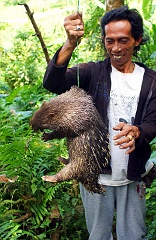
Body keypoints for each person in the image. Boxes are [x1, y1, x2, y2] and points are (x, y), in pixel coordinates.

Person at [42, 6, 156, 240]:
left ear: (137, 40)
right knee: (98, 235)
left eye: (123, 40)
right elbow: (53, 83)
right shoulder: (92, 73)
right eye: (109, 40)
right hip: (94, 174)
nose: (115, 48)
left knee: (134, 235)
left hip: (133, 174)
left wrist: (138, 131)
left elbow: (153, 122)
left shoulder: (150, 80)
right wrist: (70, 44)